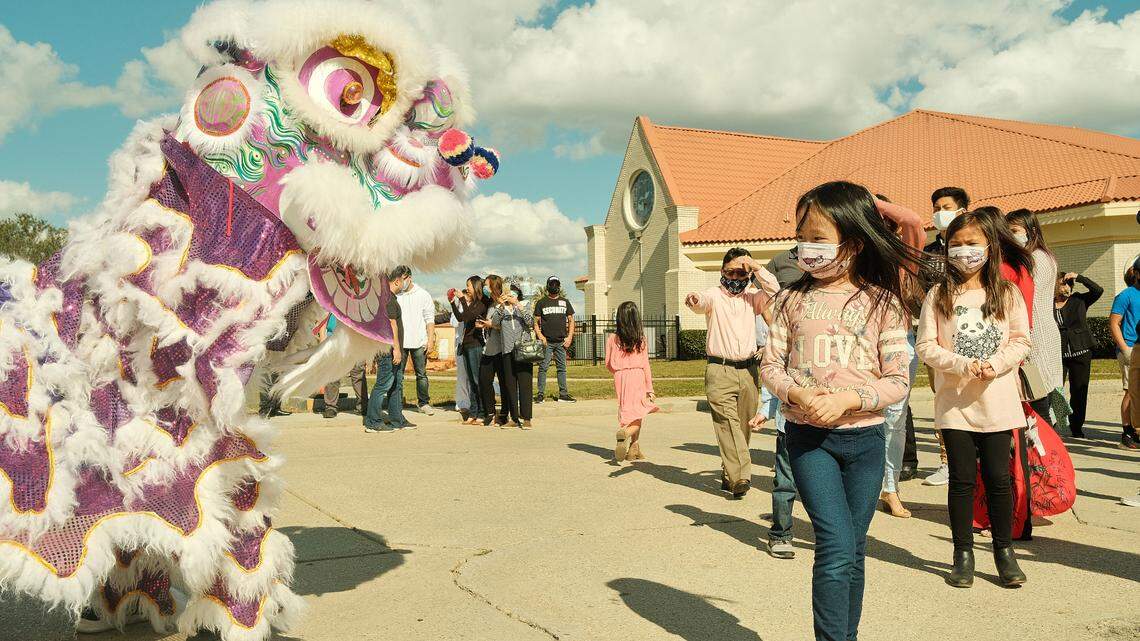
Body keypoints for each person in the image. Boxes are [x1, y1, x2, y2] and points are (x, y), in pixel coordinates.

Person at [761, 181, 920, 641]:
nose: (806, 247)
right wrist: (797, 396)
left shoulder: (884, 302)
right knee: (833, 546)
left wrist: (849, 399)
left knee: (853, 550)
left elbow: (897, 380)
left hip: (867, 442)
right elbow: (770, 364)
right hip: (810, 441)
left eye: (818, 236)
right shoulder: (789, 300)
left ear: (852, 241)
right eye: (801, 234)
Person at [916, 210, 1031, 589]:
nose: (964, 252)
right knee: (962, 481)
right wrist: (961, 364)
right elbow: (926, 347)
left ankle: (1003, 552)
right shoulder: (938, 294)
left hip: (998, 403)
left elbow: (1020, 341)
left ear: (990, 247)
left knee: (999, 479)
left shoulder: (1007, 292)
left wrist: (995, 364)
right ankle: (961, 553)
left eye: (972, 244)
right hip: (955, 406)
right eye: (956, 244)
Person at [686, 247, 777, 500]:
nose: (735, 278)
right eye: (730, 272)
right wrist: (693, 298)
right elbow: (700, 301)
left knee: (743, 427)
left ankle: (729, 472)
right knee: (727, 424)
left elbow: (776, 292)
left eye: (740, 273)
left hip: (748, 371)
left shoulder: (753, 297)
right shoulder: (714, 295)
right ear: (722, 271)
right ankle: (741, 476)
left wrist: (757, 268)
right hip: (720, 369)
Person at [873, 194, 927, 519]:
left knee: (894, 420)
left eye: (884, 219)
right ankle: (861, 483)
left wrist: (871, 201)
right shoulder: (853, 252)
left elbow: (914, 221)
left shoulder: (903, 255)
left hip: (898, 343)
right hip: (857, 345)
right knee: (858, 417)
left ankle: (889, 487)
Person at [920, 186, 971, 486]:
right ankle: (947, 461)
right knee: (944, 399)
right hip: (939, 337)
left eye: (946, 206)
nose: (940, 212)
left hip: (973, 333)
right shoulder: (929, 253)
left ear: (963, 210)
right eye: (936, 207)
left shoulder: (977, 245)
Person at [1006, 209, 1063, 425]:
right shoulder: (1045, 255)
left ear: (1030, 230)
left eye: (1014, 231)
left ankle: (1047, 453)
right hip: (1045, 332)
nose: (1010, 235)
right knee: (1044, 395)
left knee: (1037, 398)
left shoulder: (1034, 259)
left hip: (1036, 335)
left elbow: (1028, 299)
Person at [607, 301, 658, 461]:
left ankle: (634, 448)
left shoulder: (612, 338)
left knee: (628, 410)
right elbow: (645, 365)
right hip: (638, 377)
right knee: (639, 412)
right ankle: (625, 434)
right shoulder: (641, 340)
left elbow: (608, 363)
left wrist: (618, 372)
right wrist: (650, 388)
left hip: (620, 377)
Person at [363, 270, 414, 432]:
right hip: (389, 350)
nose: (408, 283)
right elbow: (393, 325)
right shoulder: (388, 300)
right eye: (407, 279)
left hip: (392, 349)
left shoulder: (387, 298)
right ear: (398, 281)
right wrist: (397, 349)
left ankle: (397, 420)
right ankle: (372, 421)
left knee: (396, 385)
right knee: (383, 385)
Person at [1053, 271, 1103, 437]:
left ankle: (1076, 427)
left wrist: (1079, 278)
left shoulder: (1079, 300)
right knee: (1054, 390)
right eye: (1062, 283)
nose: (1066, 287)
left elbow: (1098, 290)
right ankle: (1053, 424)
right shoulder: (1046, 304)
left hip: (1081, 352)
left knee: (1079, 392)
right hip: (1057, 354)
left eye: (1068, 284)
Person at [392, 265, 436, 416]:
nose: (399, 282)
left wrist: (430, 341)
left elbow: (430, 319)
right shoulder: (396, 295)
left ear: (409, 277)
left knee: (421, 375)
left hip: (419, 342)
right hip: (401, 342)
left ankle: (423, 403)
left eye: (401, 279)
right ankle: (397, 404)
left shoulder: (423, 294)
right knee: (398, 375)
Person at [491, 283, 536, 429]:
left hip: (522, 350)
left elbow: (530, 322)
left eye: (511, 294)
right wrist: (501, 306)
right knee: (510, 385)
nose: (509, 297)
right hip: (507, 350)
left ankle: (527, 418)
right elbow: (494, 323)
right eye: (507, 294)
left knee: (525, 384)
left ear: (517, 295)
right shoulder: (501, 310)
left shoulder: (524, 305)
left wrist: (517, 305)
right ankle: (514, 418)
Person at [1109, 266, 1140, 449]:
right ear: (1136, 273)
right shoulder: (1125, 295)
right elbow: (1113, 323)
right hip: (1130, 347)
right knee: (1131, 391)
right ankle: (1127, 433)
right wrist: (1125, 349)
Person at [451, 276, 487, 425]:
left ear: (476, 286)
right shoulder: (470, 304)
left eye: (469, 286)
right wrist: (453, 302)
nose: (467, 289)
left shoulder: (480, 304)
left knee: (477, 380)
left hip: (475, 345)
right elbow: (460, 317)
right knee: (472, 381)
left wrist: (463, 300)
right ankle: (473, 412)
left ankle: (483, 412)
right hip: (465, 345)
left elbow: (467, 316)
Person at [534, 276, 576, 403]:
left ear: (559, 286)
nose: (554, 286)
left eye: (556, 284)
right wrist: (541, 337)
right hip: (547, 342)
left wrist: (569, 337)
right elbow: (535, 322)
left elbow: (571, 320)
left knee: (562, 368)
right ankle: (540, 395)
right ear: (548, 286)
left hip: (561, 342)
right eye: (551, 284)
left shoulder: (565, 302)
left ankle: (563, 394)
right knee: (543, 368)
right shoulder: (541, 302)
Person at [478, 275, 512, 426]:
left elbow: (506, 324)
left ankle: (505, 414)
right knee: (484, 381)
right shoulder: (491, 304)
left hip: (501, 349)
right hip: (489, 348)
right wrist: (485, 324)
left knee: (504, 383)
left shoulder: (503, 302)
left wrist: (490, 324)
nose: (484, 288)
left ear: (493, 285)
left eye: (486, 285)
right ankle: (490, 412)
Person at [320, 315, 365, 419]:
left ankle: (363, 405)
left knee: (358, 373)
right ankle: (331, 407)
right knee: (332, 375)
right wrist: (323, 342)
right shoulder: (331, 299)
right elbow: (322, 321)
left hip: (355, 340)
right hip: (334, 340)